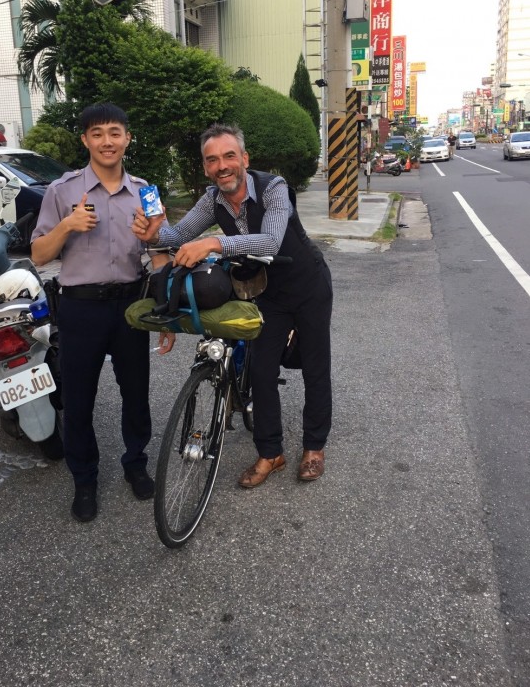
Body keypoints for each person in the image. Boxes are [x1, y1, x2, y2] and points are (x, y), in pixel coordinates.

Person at [132, 123, 333, 488]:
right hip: (268, 292)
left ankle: (314, 447)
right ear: (206, 167)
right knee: (261, 370)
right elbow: (178, 236)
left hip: (308, 285)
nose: (221, 166)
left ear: (244, 158)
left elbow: (271, 240)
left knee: (316, 365)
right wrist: (155, 233)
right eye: (212, 160)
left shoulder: (274, 188)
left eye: (228, 156)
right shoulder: (213, 199)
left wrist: (214, 245)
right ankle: (270, 452)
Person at [31, 103, 175, 523]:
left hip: (131, 306)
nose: (107, 141)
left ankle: (135, 463)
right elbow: (39, 255)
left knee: (135, 392)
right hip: (80, 308)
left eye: (115, 132)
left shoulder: (146, 191)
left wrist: (165, 308)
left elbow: (160, 253)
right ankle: (85, 479)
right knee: (78, 399)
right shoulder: (63, 191)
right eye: (97, 133)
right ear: (85, 141)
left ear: (127, 138)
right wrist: (66, 226)